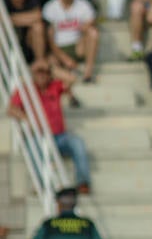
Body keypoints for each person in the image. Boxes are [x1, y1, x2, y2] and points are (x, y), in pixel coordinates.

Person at [8, 60, 92, 193]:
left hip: (60, 136)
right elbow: (11, 109)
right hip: (40, 136)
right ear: (33, 74)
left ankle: (83, 182)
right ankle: (40, 183)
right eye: (38, 73)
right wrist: (27, 119)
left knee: (78, 143)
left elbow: (73, 79)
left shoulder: (55, 86)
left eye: (45, 73)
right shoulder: (25, 89)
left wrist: (51, 67)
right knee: (32, 146)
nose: (42, 76)